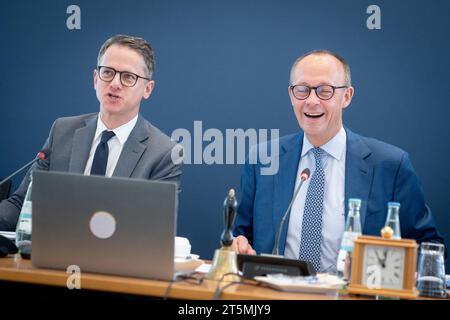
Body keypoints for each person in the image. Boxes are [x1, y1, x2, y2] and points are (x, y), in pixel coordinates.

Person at [233, 50, 444, 273]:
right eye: (302, 90)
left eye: (325, 91)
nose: (312, 101)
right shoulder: (263, 159)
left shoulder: (391, 166)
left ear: (347, 96)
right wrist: (239, 245)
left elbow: (429, 250)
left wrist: (376, 269)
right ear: (291, 95)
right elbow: (240, 236)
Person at [0, 34, 182, 231]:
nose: (114, 83)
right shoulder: (62, 131)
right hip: (55, 255)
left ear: (148, 89)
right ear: (96, 79)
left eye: (128, 77)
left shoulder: (164, 153)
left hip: (117, 259)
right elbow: (21, 204)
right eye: (108, 72)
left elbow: (156, 229)